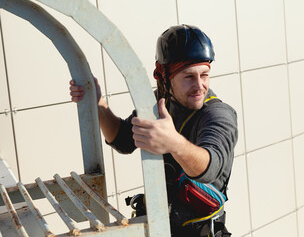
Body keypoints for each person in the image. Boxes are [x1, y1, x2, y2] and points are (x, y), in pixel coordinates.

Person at [70, 24, 238, 237]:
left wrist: (174, 143)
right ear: (165, 78)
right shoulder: (160, 103)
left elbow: (210, 166)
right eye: (188, 77)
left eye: (204, 75)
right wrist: (97, 103)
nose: (199, 86)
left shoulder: (218, 114)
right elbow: (122, 139)